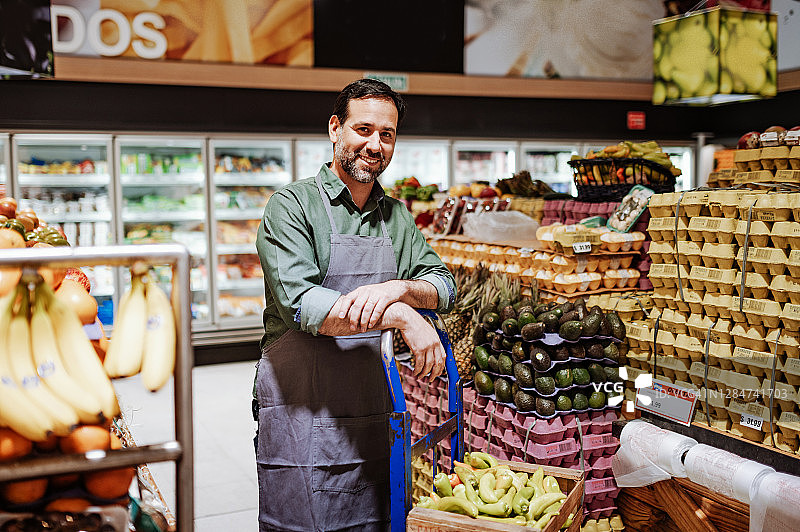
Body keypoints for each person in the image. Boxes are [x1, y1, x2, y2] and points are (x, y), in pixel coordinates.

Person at [254, 78, 456, 532]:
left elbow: (444, 285)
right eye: (363, 129)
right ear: (335, 129)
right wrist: (400, 313)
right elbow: (302, 304)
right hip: (302, 413)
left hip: (372, 414)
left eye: (387, 135)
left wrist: (401, 288)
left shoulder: (397, 217)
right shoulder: (291, 206)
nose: (374, 144)